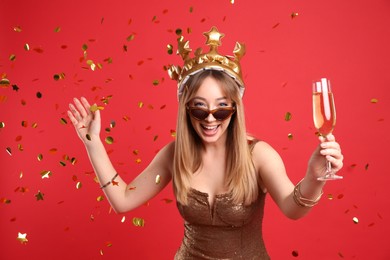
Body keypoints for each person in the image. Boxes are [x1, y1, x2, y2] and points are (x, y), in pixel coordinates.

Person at [68, 27, 344, 259]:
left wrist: (314, 177)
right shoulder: (174, 155)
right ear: (186, 109)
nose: (210, 119)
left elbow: (292, 208)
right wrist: (93, 143)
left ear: (235, 109)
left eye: (221, 108)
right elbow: (123, 200)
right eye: (200, 108)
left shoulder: (259, 155)